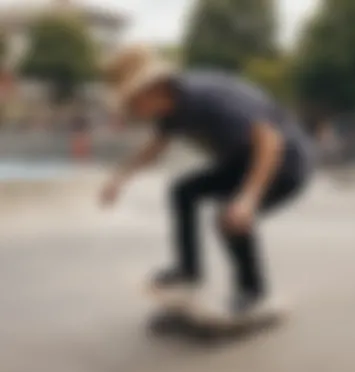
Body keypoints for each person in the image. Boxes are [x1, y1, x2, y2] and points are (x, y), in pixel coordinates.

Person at [101, 45, 314, 315]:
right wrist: (119, 178)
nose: (131, 111)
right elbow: (156, 147)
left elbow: (269, 140)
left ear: (151, 89)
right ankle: (189, 272)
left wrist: (248, 199)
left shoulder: (209, 99)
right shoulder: (170, 109)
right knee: (183, 190)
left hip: (285, 163)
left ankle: (253, 292)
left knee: (230, 215)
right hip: (241, 161)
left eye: (132, 102)